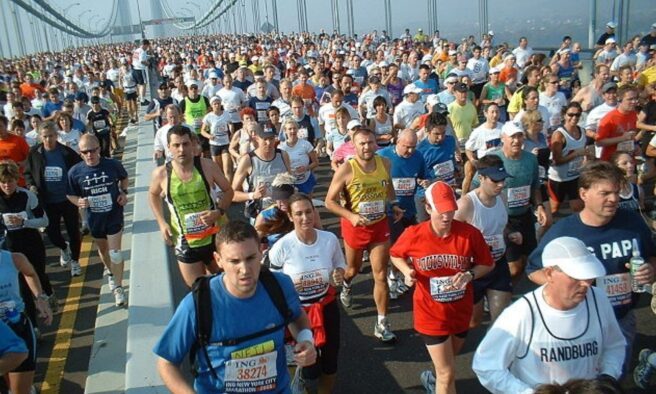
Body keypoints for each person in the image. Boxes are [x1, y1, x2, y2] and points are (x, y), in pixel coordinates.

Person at [153, 221, 317, 393]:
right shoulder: (198, 304)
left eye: (250, 258)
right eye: (234, 261)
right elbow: (166, 363)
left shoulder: (280, 286)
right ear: (219, 260)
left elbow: (297, 317)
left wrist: (306, 340)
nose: (244, 269)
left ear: (261, 253)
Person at [527, 161, 656, 374]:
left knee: (614, 379)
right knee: (580, 381)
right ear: (584, 194)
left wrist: (650, 270)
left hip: (621, 320)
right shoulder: (563, 232)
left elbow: (652, 256)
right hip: (579, 323)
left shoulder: (633, 223)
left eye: (616, 192)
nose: (613, 199)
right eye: (605, 193)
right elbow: (534, 271)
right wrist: (571, 285)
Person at [473, 237, 625, 393]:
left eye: (588, 275)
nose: (586, 283)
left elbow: (614, 345)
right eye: (576, 276)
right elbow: (486, 365)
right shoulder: (522, 313)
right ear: (550, 273)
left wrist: (608, 377)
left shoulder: (598, 299)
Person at [390, 181, 494, 394]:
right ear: (428, 208)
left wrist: (469, 274)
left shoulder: (469, 233)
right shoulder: (414, 234)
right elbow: (395, 254)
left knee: (448, 366)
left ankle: (433, 381)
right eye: (441, 211)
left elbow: (487, 263)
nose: (446, 217)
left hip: (460, 311)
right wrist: (406, 271)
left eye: (450, 210)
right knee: (447, 373)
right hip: (430, 313)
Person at [325, 127, 403, 343]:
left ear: (375, 143)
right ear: (354, 145)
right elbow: (329, 201)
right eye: (362, 143)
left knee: (380, 274)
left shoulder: (385, 163)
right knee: (353, 269)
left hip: (379, 225)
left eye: (370, 142)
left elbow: (388, 188)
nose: (367, 147)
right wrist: (350, 216)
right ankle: (347, 284)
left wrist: (393, 204)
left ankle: (382, 322)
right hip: (355, 227)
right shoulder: (347, 169)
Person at [268, 194, 345, 393]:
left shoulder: (329, 240)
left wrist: (338, 273)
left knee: (330, 362)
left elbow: (339, 264)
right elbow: (273, 284)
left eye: (308, 211)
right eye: (299, 214)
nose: (305, 218)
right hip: (297, 314)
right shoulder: (282, 247)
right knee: (309, 367)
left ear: (314, 212)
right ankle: (303, 381)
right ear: (291, 217)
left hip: (326, 306)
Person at [149, 125, 234, 287]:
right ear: (169, 148)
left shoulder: (207, 166)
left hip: (215, 236)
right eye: (176, 145)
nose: (181, 149)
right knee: (198, 291)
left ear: (193, 144)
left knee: (227, 285)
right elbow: (153, 195)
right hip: (186, 241)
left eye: (185, 144)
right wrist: (161, 222)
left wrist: (219, 211)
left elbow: (229, 190)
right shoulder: (161, 174)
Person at [454, 155, 518, 328]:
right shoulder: (466, 205)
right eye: (495, 180)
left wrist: (511, 234)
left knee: (501, 322)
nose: (501, 185)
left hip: (498, 265)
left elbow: (500, 226)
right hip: (474, 270)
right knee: (473, 322)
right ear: (481, 178)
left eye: (503, 180)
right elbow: (450, 237)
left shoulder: (503, 198)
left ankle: (495, 353)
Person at [67, 134, 129, 307]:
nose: (89, 155)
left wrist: (124, 193)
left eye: (92, 150)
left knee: (115, 253)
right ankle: (110, 273)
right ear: (80, 153)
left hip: (113, 215)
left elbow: (124, 178)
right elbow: (70, 194)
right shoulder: (75, 172)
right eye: (85, 152)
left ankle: (118, 287)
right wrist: (78, 201)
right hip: (95, 218)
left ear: (99, 149)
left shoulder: (112, 165)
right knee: (104, 250)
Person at [25, 122, 82, 279]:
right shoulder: (34, 153)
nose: (48, 139)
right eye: (45, 136)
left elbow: (79, 170)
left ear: (57, 136)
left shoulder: (67, 153)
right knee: (52, 233)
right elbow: (28, 173)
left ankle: (76, 261)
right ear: (40, 137)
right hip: (47, 201)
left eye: (51, 136)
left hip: (68, 199)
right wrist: (31, 186)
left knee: (73, 232)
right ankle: (64, 248)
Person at [0, 238, 53, 394]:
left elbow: (30, 273)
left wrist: (41, 299)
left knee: (19, 391)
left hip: (17, 328)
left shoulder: (14, 259)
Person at [231, 122, 291, 220]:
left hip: (282, 212)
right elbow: (232, 194)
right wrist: (253, 195)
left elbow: (290, 184)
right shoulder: (248, 160)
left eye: (271, 138)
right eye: (265, 139)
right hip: (259, 214)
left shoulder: (283, 155)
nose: (269, 143)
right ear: (256, 138)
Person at [547, 102, 588, 214]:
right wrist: (575, 154)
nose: (574, 117)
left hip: (575, 177)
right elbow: (557, 161)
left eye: (578, 115)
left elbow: (583, 152)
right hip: (558, 179)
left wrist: (586, 158)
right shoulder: (559, 135)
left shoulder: (582, 131)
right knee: (554, 209)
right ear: (564, 115)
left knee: (578, 208)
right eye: (571, 114)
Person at [596, 85, 640, 161]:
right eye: (630, 99)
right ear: (620, 99)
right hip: (612, 162)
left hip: (629, 160)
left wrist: (635, 146)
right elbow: (599, 142)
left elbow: (631, 137)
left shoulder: (633, 114)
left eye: (636, 98)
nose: (634, 102)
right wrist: (622, 138)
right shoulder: (609, 118)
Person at [278, 118, 318, 195]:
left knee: (307, 203)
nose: (292, 131)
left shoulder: (306, 144)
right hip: (290, 181)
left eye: (294, 128)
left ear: (297, 129)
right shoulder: (281, 148)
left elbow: (315, 162)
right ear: (285, 131)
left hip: (306, 180)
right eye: (290, 129)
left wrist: (306, 168)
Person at [200, 96, 232, 181]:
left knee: (227, 169)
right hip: (214, 145)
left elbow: (230, 124)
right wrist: (209, 136)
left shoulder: (226, 114)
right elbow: (202, 131)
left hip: (225, 143)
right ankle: (222, 188)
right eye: (215, 104)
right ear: (211, 105)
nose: (217, 105)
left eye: (218, 103)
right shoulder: (208, 116)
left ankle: (230, 187)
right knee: (218, 169)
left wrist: (231, 132)